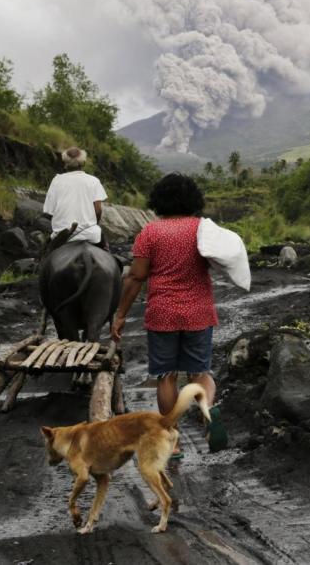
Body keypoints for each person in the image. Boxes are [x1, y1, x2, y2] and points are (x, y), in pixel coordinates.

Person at [110, 172, 228, 454]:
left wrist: (121, 314)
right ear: (193, 200)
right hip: (198, 312)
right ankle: (209, 413)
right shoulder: (203, 229)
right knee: (199, 373)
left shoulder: (149, 232)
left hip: (162, 313)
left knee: (167, 377)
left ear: (159, 200)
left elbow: (136, 277)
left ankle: (171, 440)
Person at [43, 147, 108, 248]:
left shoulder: (57, 181)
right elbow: (98, 211)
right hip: (90, 234)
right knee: (107, 254)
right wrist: (93, 224)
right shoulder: (94, 181)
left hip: (62, 235)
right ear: (83, 163)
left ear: (65, 163)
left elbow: (49, 211)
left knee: (43, 257)